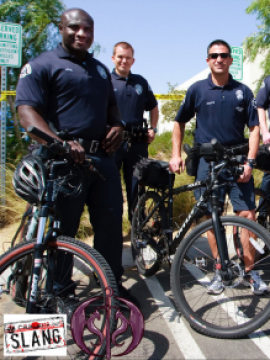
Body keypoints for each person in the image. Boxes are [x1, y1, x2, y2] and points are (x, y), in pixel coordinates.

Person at [15, 8, 138, 304]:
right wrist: (60, 143)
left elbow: (112, 108)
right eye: (74, 28)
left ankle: (111, 286)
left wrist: (118, 126)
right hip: (62, 162)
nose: (82, 33)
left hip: (102, 161)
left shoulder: (99, 70)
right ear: (61, 28)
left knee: (110, 225)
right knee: (64, 230)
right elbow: (28, 115)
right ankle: (61, 292)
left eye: (88, 29)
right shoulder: (43, 65)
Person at [169, 39, 268, 295]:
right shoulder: (197, 90)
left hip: (237, 162)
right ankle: (220, 270)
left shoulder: (243, 91)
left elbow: (254, 128)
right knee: (209, 218)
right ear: (207, 60)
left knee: (247, 216)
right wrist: (175, 154)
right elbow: (178, 122)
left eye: (223, 55)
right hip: (207, 163)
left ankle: (249, 272)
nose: (219, 59)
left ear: (230, 59)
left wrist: (251, 161)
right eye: (214, 55)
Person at [111, 42, 159, 221]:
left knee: (137, 187)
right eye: (120, 57)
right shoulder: (105, 82)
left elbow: (154, 108)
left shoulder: (141, 82)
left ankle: (138, 230)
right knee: (111, 188)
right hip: (113, 144)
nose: (124, 61)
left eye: (128, 58)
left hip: (137, 144)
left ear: (133, 60)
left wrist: (153, 129)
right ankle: (114, 229)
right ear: (113, 58)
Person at [255, 77, 270, 219]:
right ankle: (263, 215)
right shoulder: (269, 81)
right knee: (269, 176)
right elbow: (260, 105)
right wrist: (264, 132)